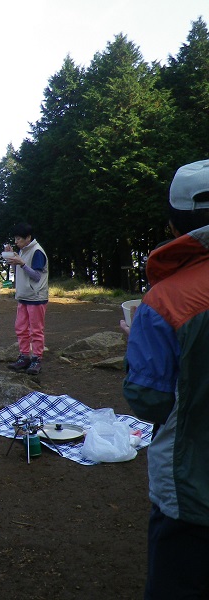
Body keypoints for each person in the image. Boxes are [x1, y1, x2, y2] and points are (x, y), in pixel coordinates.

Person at [123, 159, 209, 599]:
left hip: (192, 494)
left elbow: (149, 400)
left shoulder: (167, 299)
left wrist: (137, 345)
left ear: (174, 223)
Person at [4, 223, 48, 375]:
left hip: (36, 297)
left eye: (18, 239)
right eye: (15, 238)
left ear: (28, 238)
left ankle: (36, 359)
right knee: (21, 328)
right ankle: (24, 356)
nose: (16, 242)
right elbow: (21, 270)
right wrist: (12, 258)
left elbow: (36, 276)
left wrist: (21, 264)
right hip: (23, 297)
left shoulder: (37, 252)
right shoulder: (23, 251)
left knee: (36, 330)